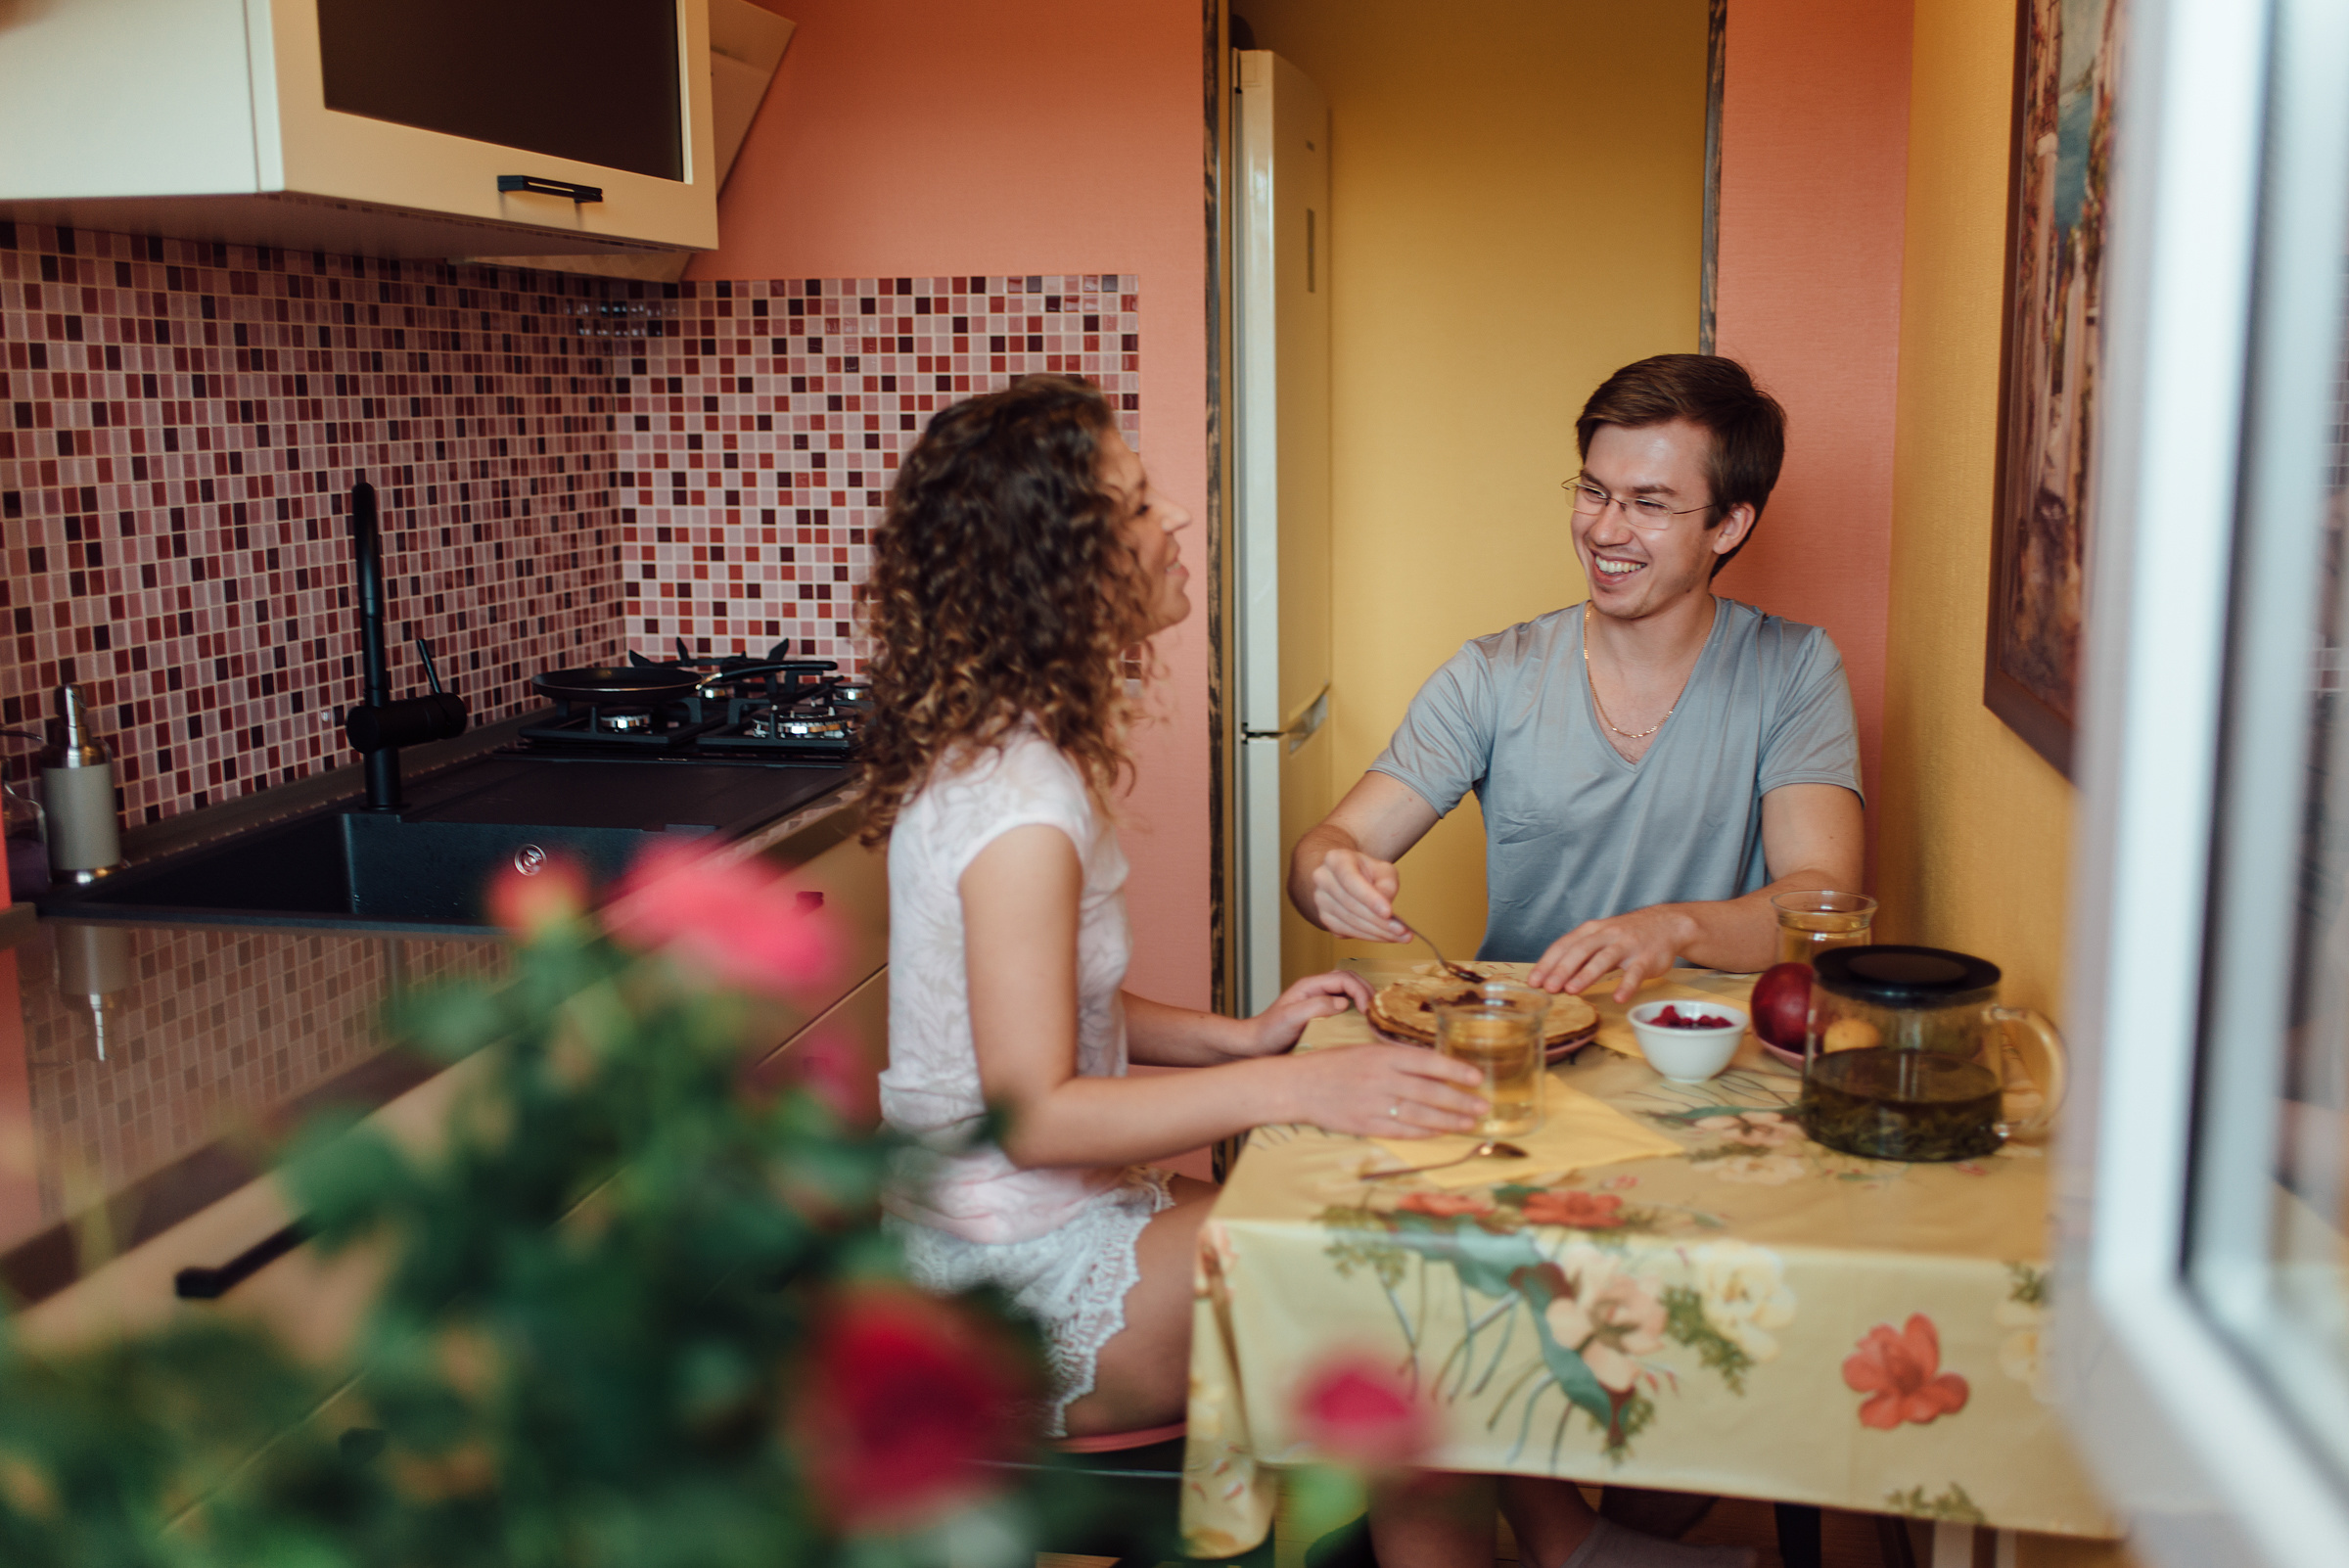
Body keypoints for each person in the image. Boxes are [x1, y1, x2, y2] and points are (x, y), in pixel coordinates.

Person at [863, 377, 1754, 1568]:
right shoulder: (1021, 808)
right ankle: (1560, 1546)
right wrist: (1293, 1089)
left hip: (1020, 1222)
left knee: (1407, 1251)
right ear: (1062, 568)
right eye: (1137, 507)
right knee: (1407, 1290)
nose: (1175, 518)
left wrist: (1241, 1037)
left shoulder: (1022, 761)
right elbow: (1034, 1113)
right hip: (1002, 1275)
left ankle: (1563, 1543)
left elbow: (1040, 1015)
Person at [1289, 354, 1864, 1002]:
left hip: (1711, 1042)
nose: (1603, 529)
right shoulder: (1489, 675)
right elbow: (1331, 846)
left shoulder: (1795, 668)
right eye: (1593, 491)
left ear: (1728, 525)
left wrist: (1671, 929)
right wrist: (1329, 876)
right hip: (1525, 1034)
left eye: (1648, 502)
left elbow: (1822, 897)